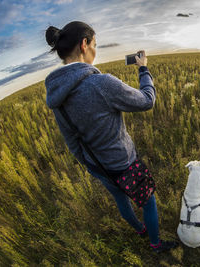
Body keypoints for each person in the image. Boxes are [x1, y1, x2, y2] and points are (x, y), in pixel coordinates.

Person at [44, 21, 178, 253]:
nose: (96, 51)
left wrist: (88, 163)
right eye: (95, 44)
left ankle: (139, 230)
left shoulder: (56, 95)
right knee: (148, 201)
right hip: (123, 162)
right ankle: (155, 245)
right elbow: (147, 101)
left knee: (120, 199)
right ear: (84, 44)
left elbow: (71, 140)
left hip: (97, 165)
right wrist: (143, 69)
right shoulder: (101, 83)